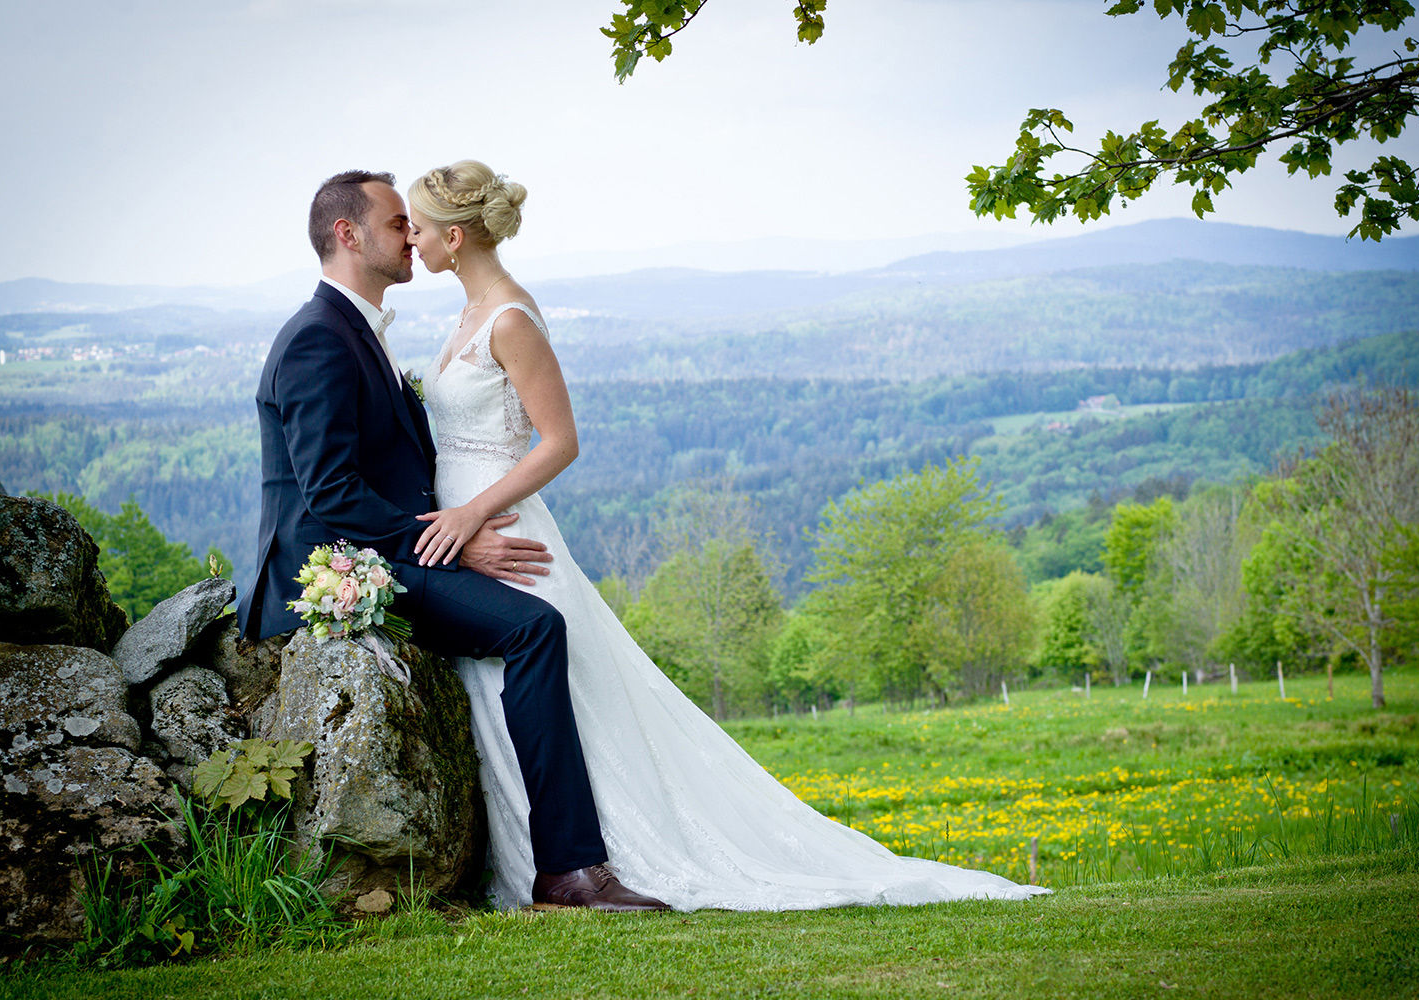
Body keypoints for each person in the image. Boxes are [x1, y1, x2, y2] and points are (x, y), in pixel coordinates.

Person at [406, 159, 1051, 910]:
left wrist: (472, 514)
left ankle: (590, 859)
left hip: (504, 531)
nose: (411, 239)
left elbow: (559, 441)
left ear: (454, 238)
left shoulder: (511, 320)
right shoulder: (462, 316)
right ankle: (527, 861)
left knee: (575, 700)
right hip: (460, 534)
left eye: (418, 228)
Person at [237, 170, 669, 913]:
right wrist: (458, 543)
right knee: (535, 626)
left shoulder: (354, 331)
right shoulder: (318, 339)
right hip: (341, 567)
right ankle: (568, 871)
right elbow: (331, 496)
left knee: (532, 623)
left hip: (388, 549)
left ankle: (561, 862)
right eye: (397, 223)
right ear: (349, 235)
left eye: (415, 224)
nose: (412, 236)